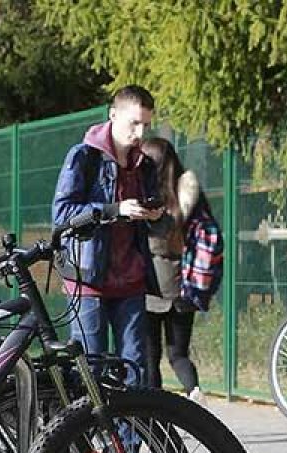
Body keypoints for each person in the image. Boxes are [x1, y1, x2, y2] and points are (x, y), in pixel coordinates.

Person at [52, 85, 164, 387]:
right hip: (88, 280)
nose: (140, 133)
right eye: (134, 123)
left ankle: (132, 436)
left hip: (131, 280)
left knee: (136, 367)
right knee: (91, 368)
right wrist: (114, 209)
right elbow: (62, 215)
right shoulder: (84, 157)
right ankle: (82, 434)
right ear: (113, 115)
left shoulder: (145, 165)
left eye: (146, 125)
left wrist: (155, 214)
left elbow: (154, 214)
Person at [139, 137, 224, 404]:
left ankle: (155, 411)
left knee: (150, 357)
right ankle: (194, 392)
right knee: (178, 354)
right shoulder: (189, 198)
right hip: (185, 287)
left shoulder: (147, 199)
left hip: (151, 287)